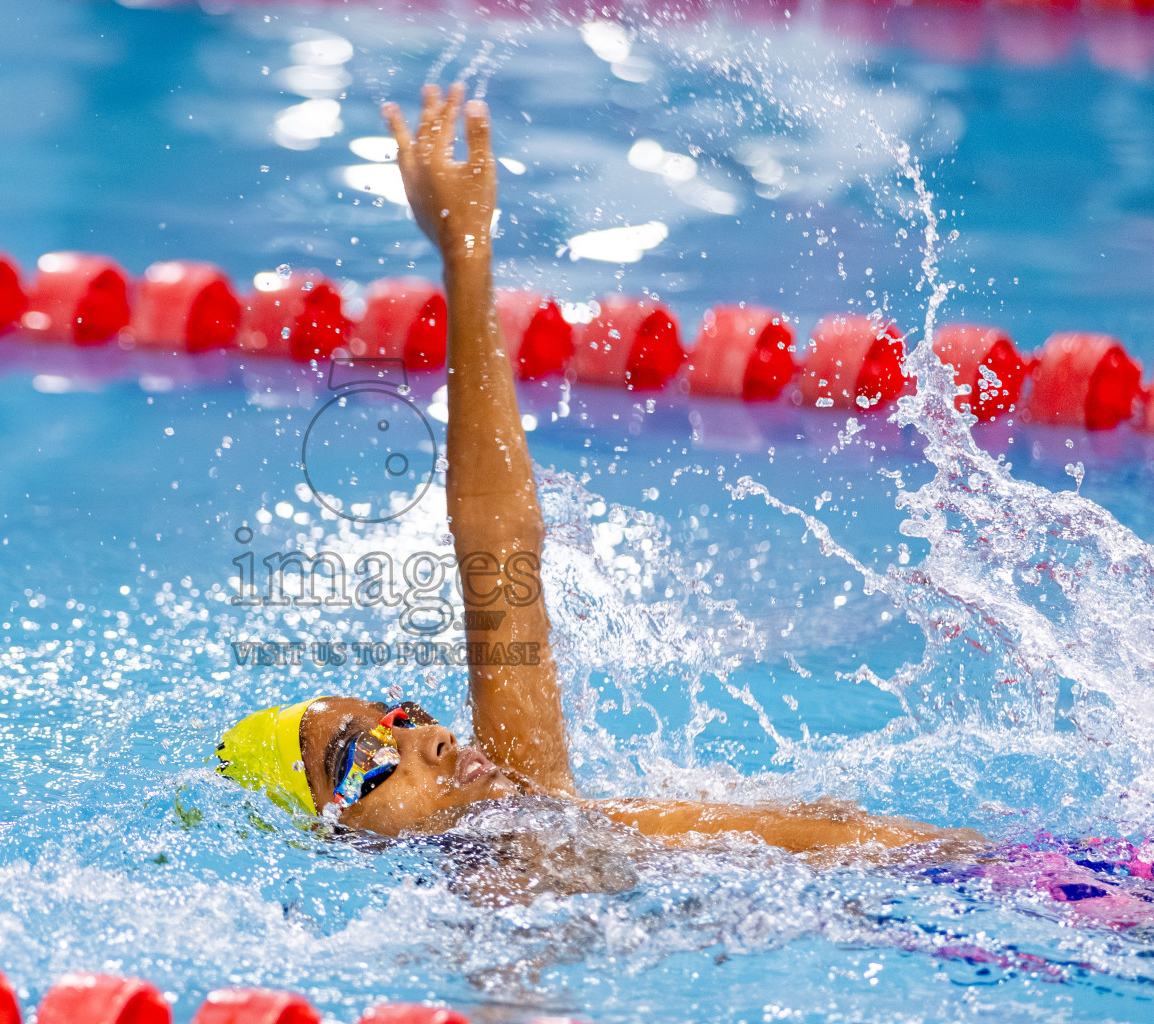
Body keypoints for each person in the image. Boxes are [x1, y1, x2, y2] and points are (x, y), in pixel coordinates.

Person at [216, 83, 983, 859]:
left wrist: (467, 253)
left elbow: (499, 542)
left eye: (402, 719)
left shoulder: (531, 806)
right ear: (336, 836)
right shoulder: (507, 879)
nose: (432, 739)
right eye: (364, 759)